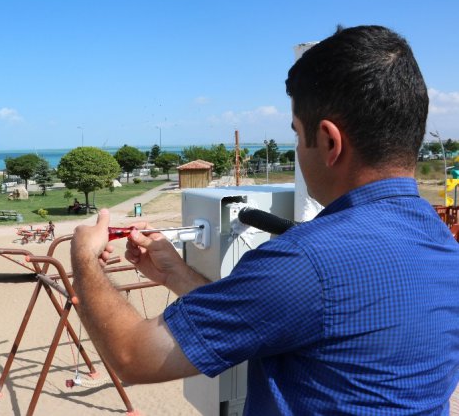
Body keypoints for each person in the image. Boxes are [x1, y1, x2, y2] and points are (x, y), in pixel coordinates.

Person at [70, 25, 459, 414]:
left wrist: (84, 259)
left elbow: (130, 355)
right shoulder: (444, 247)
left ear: (329, 141)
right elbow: (275, 316)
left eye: (296, 134)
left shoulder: (304, 263)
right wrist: (175, 274)